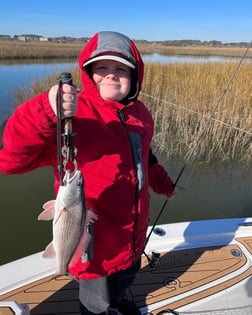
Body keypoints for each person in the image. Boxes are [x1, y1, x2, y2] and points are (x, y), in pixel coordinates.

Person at [0, 31, 175, 314]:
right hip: (93, 249)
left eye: (121, 69)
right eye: (101, 68)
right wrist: (46, 109)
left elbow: (145, 158)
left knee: (122, 285)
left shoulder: (140, 114)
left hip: (133, 238)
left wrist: (164, 184)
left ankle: (118, 301)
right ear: (88, 73)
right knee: (96, 304)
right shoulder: (73, 116)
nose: (111, 75)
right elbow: (10, 159)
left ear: (135, 75)